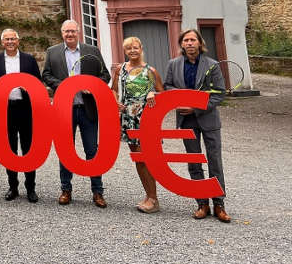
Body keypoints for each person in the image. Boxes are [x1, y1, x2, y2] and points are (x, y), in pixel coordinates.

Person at [42, 19, 111, 208]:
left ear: (78, 32)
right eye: (66, 32)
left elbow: (105, 75)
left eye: (72, 31)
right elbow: (46, 75)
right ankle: (66, 189)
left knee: (92, 151)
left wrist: (93, 86)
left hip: (88, 108)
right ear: (62, 33)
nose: (69, 34)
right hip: (65, 109)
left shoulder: (92, 51)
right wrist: (62, 86)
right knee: (66, 150)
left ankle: (97, 191)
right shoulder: (52, 52)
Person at [164, 28, 231, 223]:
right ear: (181, 44)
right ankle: (202, 203)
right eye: (186, 40)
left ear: (200, 43)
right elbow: (168, 86)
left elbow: (219, 93)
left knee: (214, 161)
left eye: (193, 40)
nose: (190, 43)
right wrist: (179, 100)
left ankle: (219, 204)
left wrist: (196, 107)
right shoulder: (173, 64)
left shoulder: (212, 65)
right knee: (194, 162)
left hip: (208, 119)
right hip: (186, 120)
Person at [0, 28, 41, 203]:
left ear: (18, 41)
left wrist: (30, 89)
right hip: (5, 110)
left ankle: (31, 188)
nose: (10, 42)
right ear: (2, 42)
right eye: (7, 39)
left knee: (28, 149)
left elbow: (38, 83)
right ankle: (13, 187)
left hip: (25, 109)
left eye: (13, 39)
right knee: (9, 149)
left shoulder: (29, 59)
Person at [110, 36, 164, 213]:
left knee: (147, 158)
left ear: (141, 48)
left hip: (145, 118)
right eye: (128, 49)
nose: (132, 51)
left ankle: (154, 199)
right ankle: (148, 195)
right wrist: (115, 101)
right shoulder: (120, 70)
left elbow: (163, 93)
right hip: (128, 118)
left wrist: (153, 94)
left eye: (135, 47)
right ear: (125, 51)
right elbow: (114, 90)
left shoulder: (151, 71)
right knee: (138, 158)